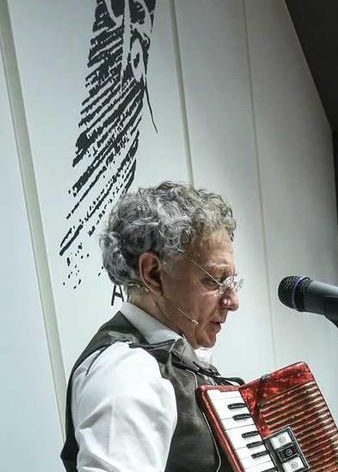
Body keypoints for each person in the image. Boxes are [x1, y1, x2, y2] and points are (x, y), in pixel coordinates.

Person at [60, 182, 243, 472]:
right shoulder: (125, 373)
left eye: (231, 282)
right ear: (154, 274)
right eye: (213, 280)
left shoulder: (176, 360)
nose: (232, 301)